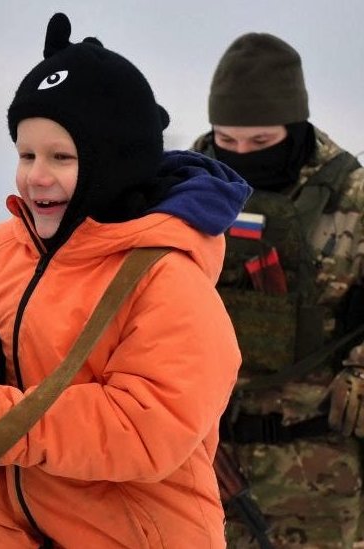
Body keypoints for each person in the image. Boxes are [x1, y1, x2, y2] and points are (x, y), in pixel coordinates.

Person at [0, 12, 251, 548]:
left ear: (111, 165)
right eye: (26, 155)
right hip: (8, 531)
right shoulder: (4, 249)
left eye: (61, 157)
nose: (36, 176)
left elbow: (146, 426)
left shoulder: (167, 278)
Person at [191, 32, 364, 548]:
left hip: (320, 478)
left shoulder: (353, 196)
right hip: (199, 467)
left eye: (261, 143)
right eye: (228, 140)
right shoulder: (181, 188)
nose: (242, 154)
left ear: (295, 125)